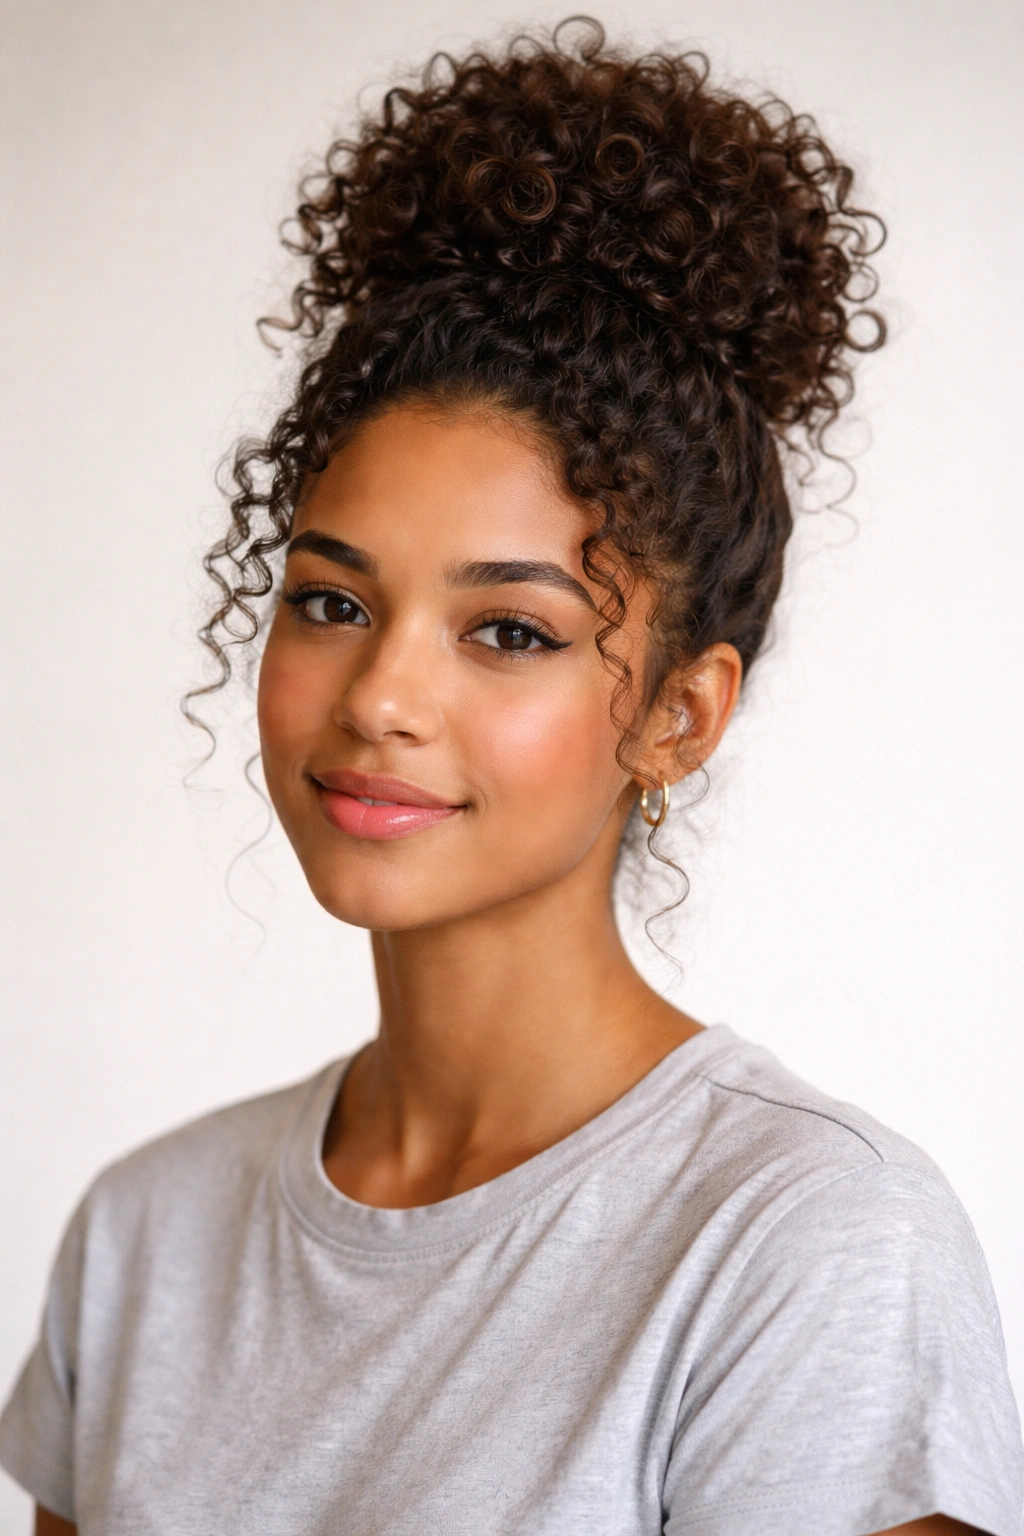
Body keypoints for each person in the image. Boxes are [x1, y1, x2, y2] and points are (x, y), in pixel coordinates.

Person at [2, 19, 1021, 1536]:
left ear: (679, 715)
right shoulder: (147, 1238)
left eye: (508, 630)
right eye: (334, 602)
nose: (384, 696)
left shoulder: (806, 1246)